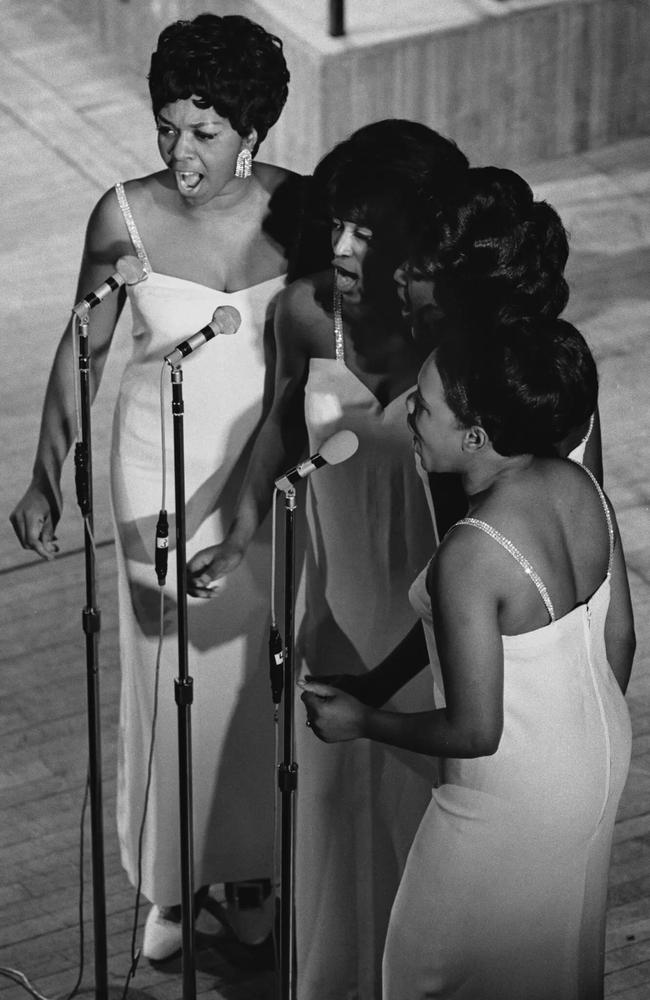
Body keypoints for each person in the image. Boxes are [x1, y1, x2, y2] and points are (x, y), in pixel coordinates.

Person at [10, 12, 298, 963]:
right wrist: (45, 473)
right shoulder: (122, 215)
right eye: (166, 128)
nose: (180, 153)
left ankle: (253, 866)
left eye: (204, 134)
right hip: (152, 469)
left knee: (254, 672)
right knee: (163, 674)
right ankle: (174, 881)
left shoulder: (300, 212)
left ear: (251, 132)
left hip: (260, 466)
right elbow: (82, 344)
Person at [187, 119, 470, 999]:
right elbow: (281, 419)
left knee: (423, 832)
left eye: (366, 233)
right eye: (337, 224)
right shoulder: (306, 313)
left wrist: (395, 683)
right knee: (337, 826)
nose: (341, 248)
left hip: (433, 633)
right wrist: (239, 533)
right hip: (333, 608)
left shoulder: (461, 348)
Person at [301, 314, 635, 999]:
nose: (411, 419)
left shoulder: (474, 551)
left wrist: (362, 721)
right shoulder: (578, 488)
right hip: (594, 765)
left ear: (475, 435)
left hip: (510, 793)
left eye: (424, 408)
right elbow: (619, 639)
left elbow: (475, 732)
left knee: (422, 973)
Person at [394, 165, 603, 495]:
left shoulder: (508, 387)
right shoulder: (545, 360)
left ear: (456, 289)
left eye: (417, 269)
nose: (398, 275)